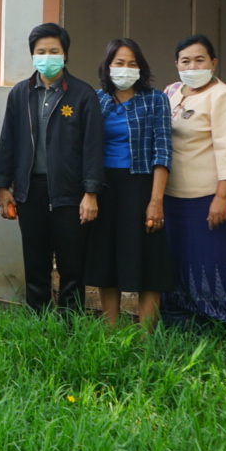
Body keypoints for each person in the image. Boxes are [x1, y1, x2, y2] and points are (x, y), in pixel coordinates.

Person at [0, 23, 103, 316]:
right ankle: (36, 317)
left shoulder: (82, 94)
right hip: (30, 190)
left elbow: (93, 146)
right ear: (32, 55)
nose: (47, 56)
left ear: (65, 55)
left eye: (54, 51)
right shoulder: (20, 94)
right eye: (41, 51)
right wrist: (3, 186)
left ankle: (70, 320)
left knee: (71, 263)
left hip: (70, 191)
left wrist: (90, 192)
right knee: (35, 259)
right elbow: (8, 141)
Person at [161, 34, 226, 336]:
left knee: (217, 263)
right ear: (176, 64)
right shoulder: (173, 93)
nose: (192, 66)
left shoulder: (224, 97)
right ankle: (183, 328)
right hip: (174, 200)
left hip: (211, 199)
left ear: (213, 63)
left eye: (199, 59)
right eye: (185, 60)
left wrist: (221, 197)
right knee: (180, 265)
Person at [88, 38, 179, 331]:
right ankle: (111, 332)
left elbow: (162, 151)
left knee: (148, 262)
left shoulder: (155, 100)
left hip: (141, 186)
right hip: (104, 188)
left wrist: (156, 200)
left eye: (132, 63)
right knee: (107, 259)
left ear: (141, 68)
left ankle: (146, 337)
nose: (125, 69)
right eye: (119, 63)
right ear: (108, 66)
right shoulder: (96, 99)